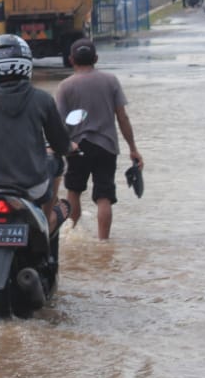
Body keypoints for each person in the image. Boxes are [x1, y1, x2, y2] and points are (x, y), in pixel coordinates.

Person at [0, 34, 72, 235]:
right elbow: (60, 144)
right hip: (32, 186)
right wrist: (67, 147)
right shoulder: (43, 100)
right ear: (26, 64)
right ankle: (46, 222)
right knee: (58, 162)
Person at [54, 39, 143, 241]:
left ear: (71, 60)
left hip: (76, 148)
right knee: (104, 196)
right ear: (96, 58)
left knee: (74, 191)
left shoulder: (65, 87)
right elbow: (122, 117)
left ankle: (73, 234)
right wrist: (133, 148)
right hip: (106, 147)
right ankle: (104, 243)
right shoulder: (110, 81)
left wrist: (63, 147)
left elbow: (59, 123)